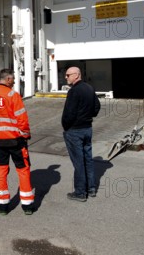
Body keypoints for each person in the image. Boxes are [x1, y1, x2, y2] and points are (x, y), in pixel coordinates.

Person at [0, 68, 35, 215]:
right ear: (8, 79)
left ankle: (3, 205)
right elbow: (22, 119)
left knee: (1, 171)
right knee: (23, 170)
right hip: (15, 140)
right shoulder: (13, 95)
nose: (15, 81)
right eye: (13, 79)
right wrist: (25, 134)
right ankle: (27, 205)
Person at [61, 66, 101, 202]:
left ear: (76, 75)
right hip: (87, 129)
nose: (66, 77)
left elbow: (69, 113)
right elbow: (97, 107)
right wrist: (89, 116)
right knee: (87, 160)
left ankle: (80, 192)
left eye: (68, 75)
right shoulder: (89, 88)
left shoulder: (74, 91)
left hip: (75, 131)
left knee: (78, 162)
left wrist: (66, 127)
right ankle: (91, 188)